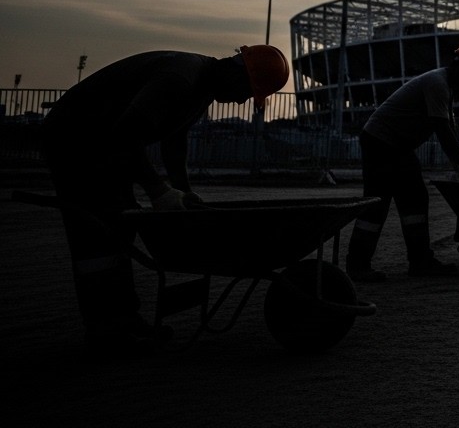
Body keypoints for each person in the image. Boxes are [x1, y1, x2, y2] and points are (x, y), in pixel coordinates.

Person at [40, 45, 290, 353]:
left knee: (122, 219)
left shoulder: (202, 89)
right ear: (235, 72)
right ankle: (104, 328)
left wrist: (182, 191)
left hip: (101, 140)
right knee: (98, 229)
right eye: (247, 91)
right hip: (75, 138)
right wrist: (158, 191)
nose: (243, 100)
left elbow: (174, 142)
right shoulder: (181, 79)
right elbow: (126, 136)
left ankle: (122, 318)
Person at [345, 40, 459, 282]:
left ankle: (420, 260)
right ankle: (358, 263)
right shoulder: (437, 84)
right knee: (377, 202)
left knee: (414, 199)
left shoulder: (445, 86)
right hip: (382, 142)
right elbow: (442, 130)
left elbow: (449, 129)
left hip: (396, 145)